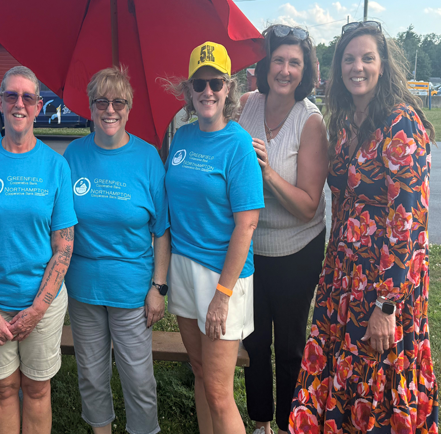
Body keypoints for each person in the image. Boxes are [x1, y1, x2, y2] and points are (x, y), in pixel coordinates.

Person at [289, 21, 439, 433]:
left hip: (383, 284)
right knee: (341, 373)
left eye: (367, 58)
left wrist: (386, 305)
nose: (357, 67)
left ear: (383, 64)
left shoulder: (401, 124)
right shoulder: (346, 123)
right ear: (338, 68)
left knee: (376, 381)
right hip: (343, 277)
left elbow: (408, 224)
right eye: (349, 59)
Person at [0, 65, 77, 434]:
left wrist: (38, 309)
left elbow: (63, 247)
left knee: (37, 389)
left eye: (27, 97)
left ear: (39, 106)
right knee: (3, 388)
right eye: (12, 95)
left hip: (42, 301)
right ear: (1, 102)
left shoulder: (56, 166)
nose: (19, 104)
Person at [163, 41, 264, 434]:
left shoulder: (238, 144)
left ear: (229, 89)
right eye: (199, 84)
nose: (207, 91)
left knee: (220, 393)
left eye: (216, 83)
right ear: (188, 90)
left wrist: (222, 295)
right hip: (183, 268)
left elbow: (247, 225)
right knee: (201, 372)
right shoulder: (182, 136)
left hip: (223, 276)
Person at [63, 66, 170, 434]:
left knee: (139, 380)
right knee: (91, 376)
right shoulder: (73, 155)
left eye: (118, 102)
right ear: (90, 107)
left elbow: (162, 230)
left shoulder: (147, 158)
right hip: (84, 289)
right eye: (102, 102)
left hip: (132, 291)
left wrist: (158, 287)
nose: (110, 110)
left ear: (129, 107)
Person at [236, 25, 328, 434]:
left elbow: (308, 207)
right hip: (250, 246)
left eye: (294, 63)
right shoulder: (245, 105)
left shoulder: (310, 121)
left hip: (297, 249)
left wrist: (268, 174)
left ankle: (291, 423)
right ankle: (261, 423)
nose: (285, 70)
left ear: (305, 71)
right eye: (278, 60)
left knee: (289, 345)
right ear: (265, 64)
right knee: (254, 341)